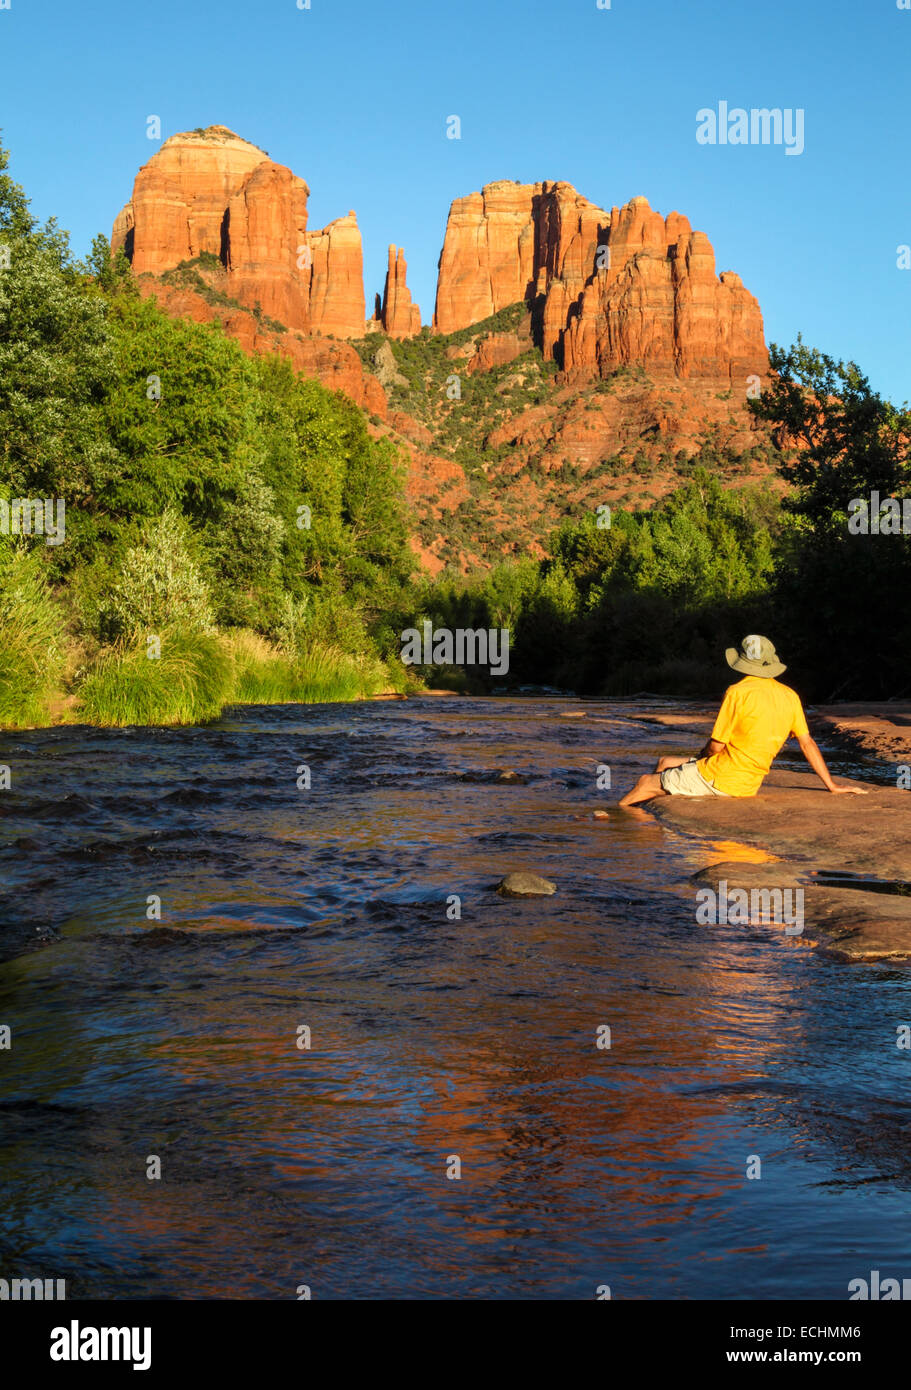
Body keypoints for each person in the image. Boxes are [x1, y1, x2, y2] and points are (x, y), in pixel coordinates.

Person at [618, 635, 868, 808]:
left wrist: (703, 756)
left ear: (743, 662)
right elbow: (807, 744)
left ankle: (622, 821)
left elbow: (715, 747)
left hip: (723, 778)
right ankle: (657, 810)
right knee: (666, 762)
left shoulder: (737, 692)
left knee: (644, 783)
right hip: (748, 782)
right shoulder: (790, 696)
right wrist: (832, 785)